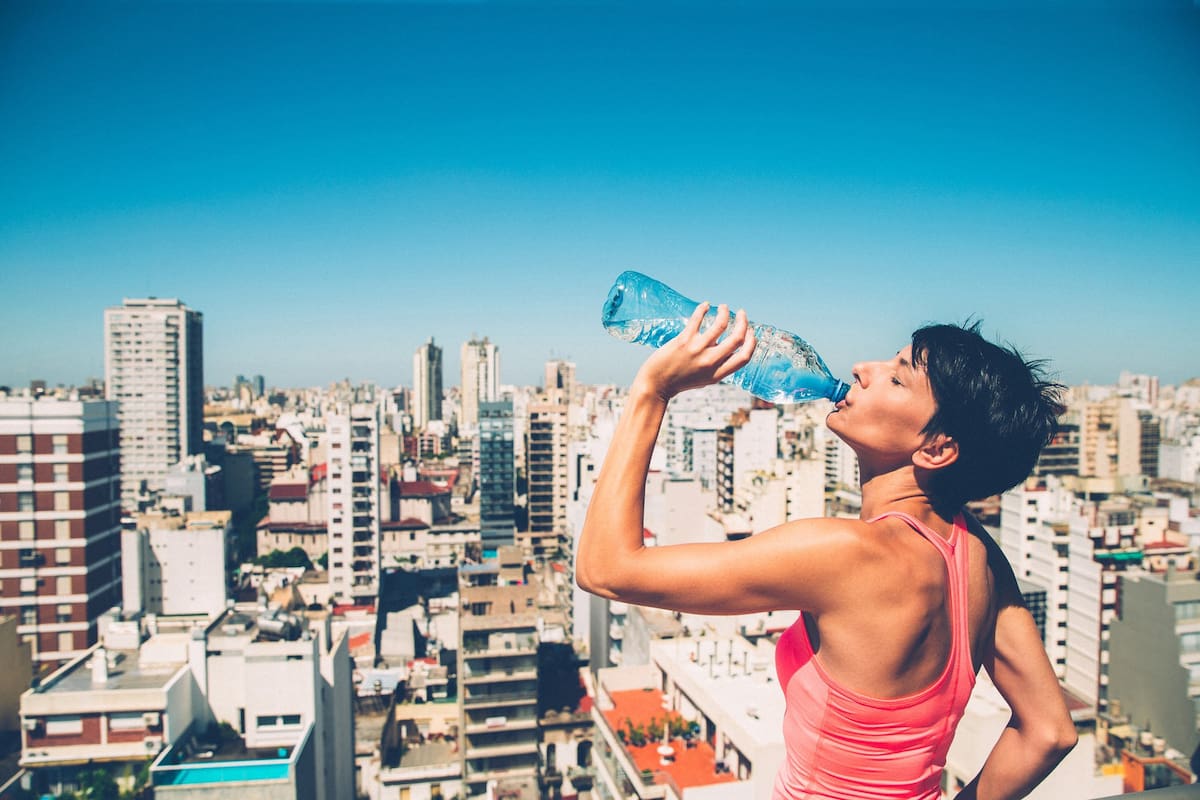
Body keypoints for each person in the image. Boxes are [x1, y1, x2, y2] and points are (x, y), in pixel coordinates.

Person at [576, 302, 1077, 800]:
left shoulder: (845, 553)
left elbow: (606, 570)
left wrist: (652, 390)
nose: (863, 369)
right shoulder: (977, 555)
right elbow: (1050, 730)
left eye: (897, 379)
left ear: (937, 449)